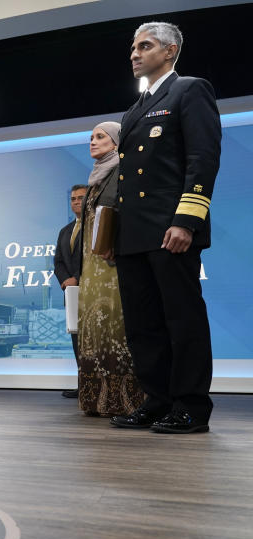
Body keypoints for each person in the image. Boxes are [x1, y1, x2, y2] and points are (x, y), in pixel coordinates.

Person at [110, 22, 220, 434]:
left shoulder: (189, 90)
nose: (135, 54)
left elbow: (202, 159)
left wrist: (186, 220)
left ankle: (190, 407)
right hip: (133, 236)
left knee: (182, 320)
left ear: (170, 51)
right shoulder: (135, 108)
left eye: (145, 46)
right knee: (143, 325)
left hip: (170, 229)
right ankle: (156, 402)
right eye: (133, 47)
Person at [76, 122, 143, 417]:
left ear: (116, 142)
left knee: (116, 329)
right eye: (91, 137)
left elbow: (120, 214)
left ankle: (125, 401)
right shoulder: (96, 179)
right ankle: (96, 399)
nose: (93, 141)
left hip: (112, 264)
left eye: (100, 137)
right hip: (93, 268)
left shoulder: (120, 172)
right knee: (95, 331)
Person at [53, 184, 87, 399]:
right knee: (77, 341)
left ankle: (100, 384)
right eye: (73, 198)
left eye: (81, 198)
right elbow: (57, 261)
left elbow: (96, 257)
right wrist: (66, 279)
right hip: (71, 293)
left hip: (93, 290)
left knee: (96, 341)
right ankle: (84, 385)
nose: (76, 201)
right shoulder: (65, 231)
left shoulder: (97, 227)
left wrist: (78, 276)